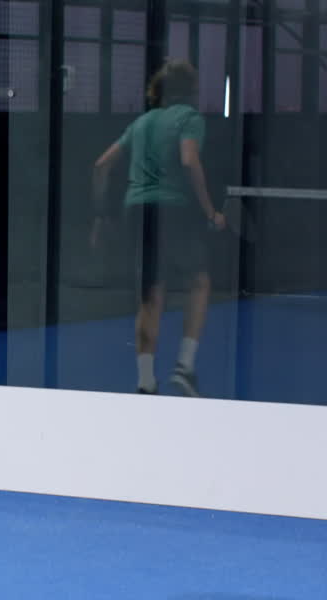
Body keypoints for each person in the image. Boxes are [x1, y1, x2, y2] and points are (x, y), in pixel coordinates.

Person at [91, 59, 225, 397]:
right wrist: (210, 211)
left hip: (136, 211)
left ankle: (146, 381)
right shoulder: (189, 119)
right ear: (190, 90)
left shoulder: (141, 123)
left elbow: (101, 165)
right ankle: (184, 366)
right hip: (172, 211)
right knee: (199, 282)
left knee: (151, 296)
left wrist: (101, 213)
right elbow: (189, 160)